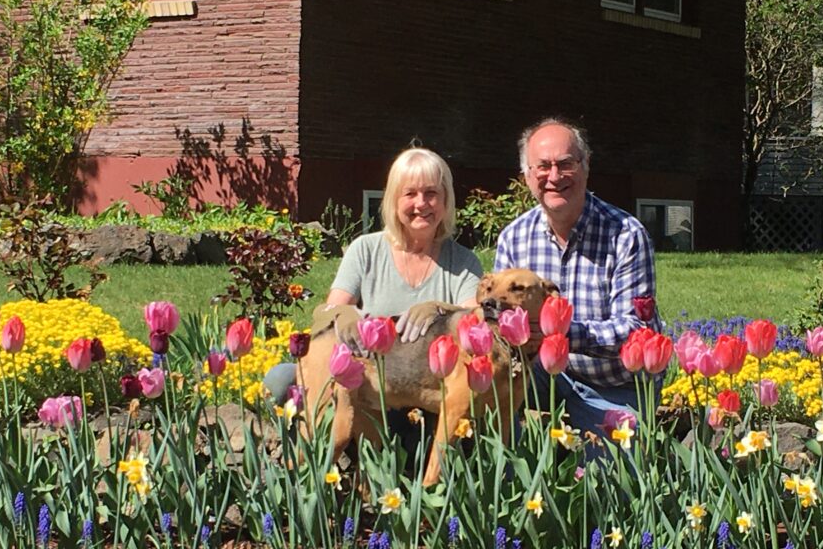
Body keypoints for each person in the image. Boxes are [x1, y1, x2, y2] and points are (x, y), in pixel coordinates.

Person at [264, 147, 483, 400]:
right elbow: (327, 313)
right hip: (368, 380)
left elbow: (477, 322)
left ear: (446, 201)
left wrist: (442, 310)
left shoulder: (463, 262)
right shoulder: (366, 250)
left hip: (432, 387)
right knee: (280, 379)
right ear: (394, 201)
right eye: (410, 193)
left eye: (431, 193)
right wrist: (342, 314)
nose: (421, 203)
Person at [494, 118, 661, 437]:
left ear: (586, 166)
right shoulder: (514, 238)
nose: (554, 176)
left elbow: (639, 331)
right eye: (543, 166)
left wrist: (564, 333)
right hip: (537, 374)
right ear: (527, 175)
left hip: (611, 385)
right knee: (485, 413)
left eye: (566, 164)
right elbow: (500, 317)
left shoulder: (625, 235)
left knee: (612, 467)